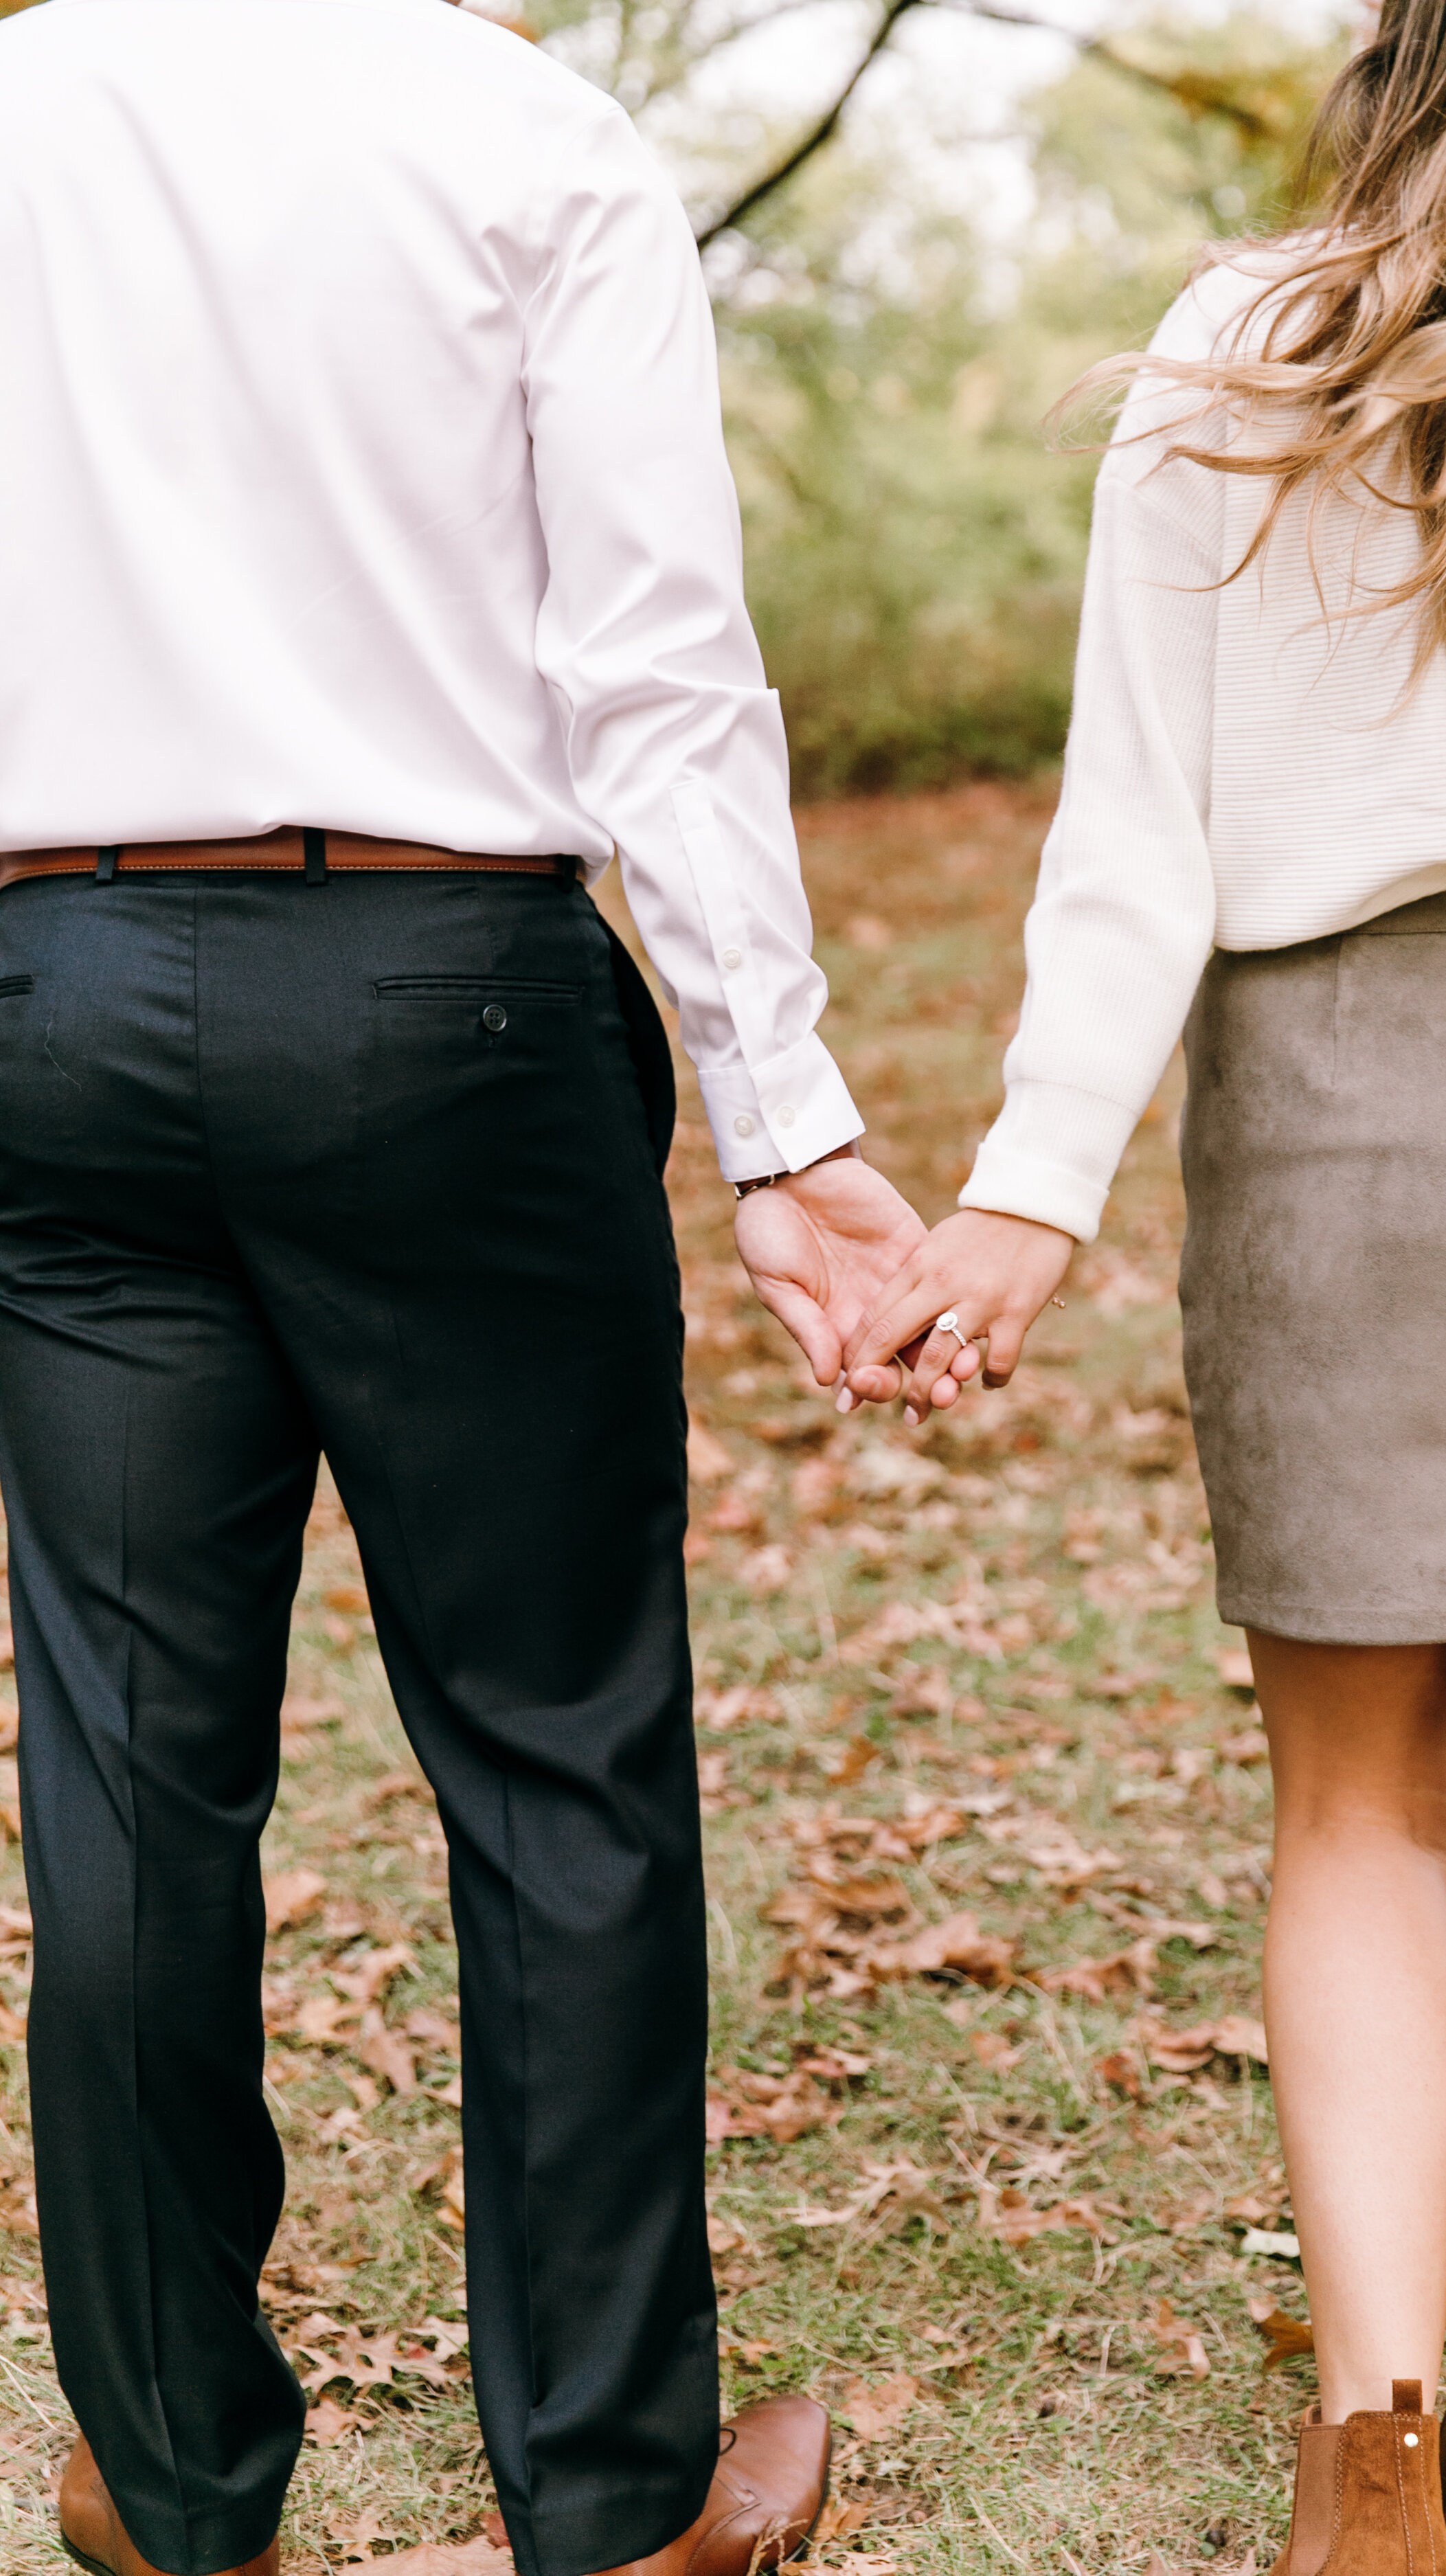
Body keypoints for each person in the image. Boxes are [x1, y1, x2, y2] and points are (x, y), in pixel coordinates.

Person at [0, 2, 927, 2572]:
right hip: (446, 994)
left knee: (128, 1771)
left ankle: (176, 2484)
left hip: (51, 999)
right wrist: (786, 1116)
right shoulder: (531, 135)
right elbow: (654, 662)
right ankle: (615, 2508)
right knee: (556, 1752)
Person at [840, 3, 1446, 2571]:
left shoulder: (1249, 344)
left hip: (1344, 1089)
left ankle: (1365, 2455)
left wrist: (1024, 1196)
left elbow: (1133, 836)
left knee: (1352, 1809)